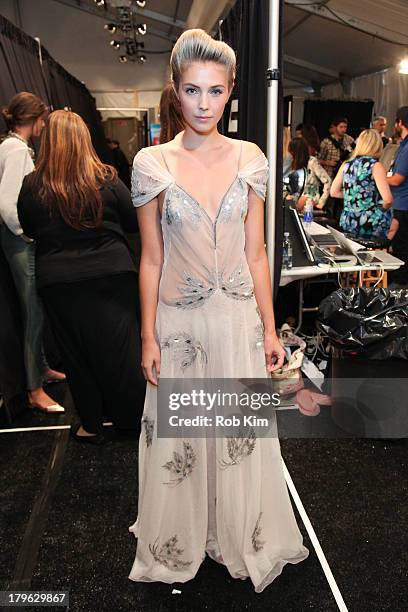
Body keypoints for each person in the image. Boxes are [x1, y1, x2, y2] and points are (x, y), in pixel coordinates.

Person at [128, 28, 308, 591]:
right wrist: (148, 338)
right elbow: (151, 261)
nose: (203, 104)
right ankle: (183, 534)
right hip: (180, 326)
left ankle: (237, 533)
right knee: (182, 435)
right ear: (175, 91)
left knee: (235, 433)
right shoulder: (152, 163)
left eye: (215, 91)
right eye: (191, 90)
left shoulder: (251, 159)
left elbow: (256, 253)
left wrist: (271, 328)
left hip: (236, 323)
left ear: (230, 92)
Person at [17, 110, 146, 443]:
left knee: (76, 357)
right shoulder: (106, 177)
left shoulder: (33, 185)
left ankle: (91, 424)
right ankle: (130, 423)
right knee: (121, 352)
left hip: (58, 281)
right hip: (111, 276)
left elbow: (28, 228)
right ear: (84, 139)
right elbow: (133, 223)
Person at [0, 92, 65, 414]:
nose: (43, 126)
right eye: (41, 120)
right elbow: (7, 205)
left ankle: (41, 371)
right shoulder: (15, 150)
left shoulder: (12, 147)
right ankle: (34, 389)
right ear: (34, 119)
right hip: (18, 244)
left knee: (34, 310)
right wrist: (26, 235)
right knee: (33, 314)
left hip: (16, 242)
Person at [330, 129, 392, 239]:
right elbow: (388, 200)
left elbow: (333, 192)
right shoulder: (375, 166)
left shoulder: (346, 164)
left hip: (348, 221)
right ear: (378, 146)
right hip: (369, 223)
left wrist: (354, 198)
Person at [387, 106, 408, 286]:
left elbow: (398, 179)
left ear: (400, 123)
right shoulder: (404, 145)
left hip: (403, 205)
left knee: (402, 249)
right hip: (402, 203)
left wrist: (378, 179)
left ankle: (399, 289)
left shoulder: (407, 147)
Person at [297, 125, 331, 211]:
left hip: (309, 203)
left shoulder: (312, 161)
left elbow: (328, 181)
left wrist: (321, 202)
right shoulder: (295, 160)